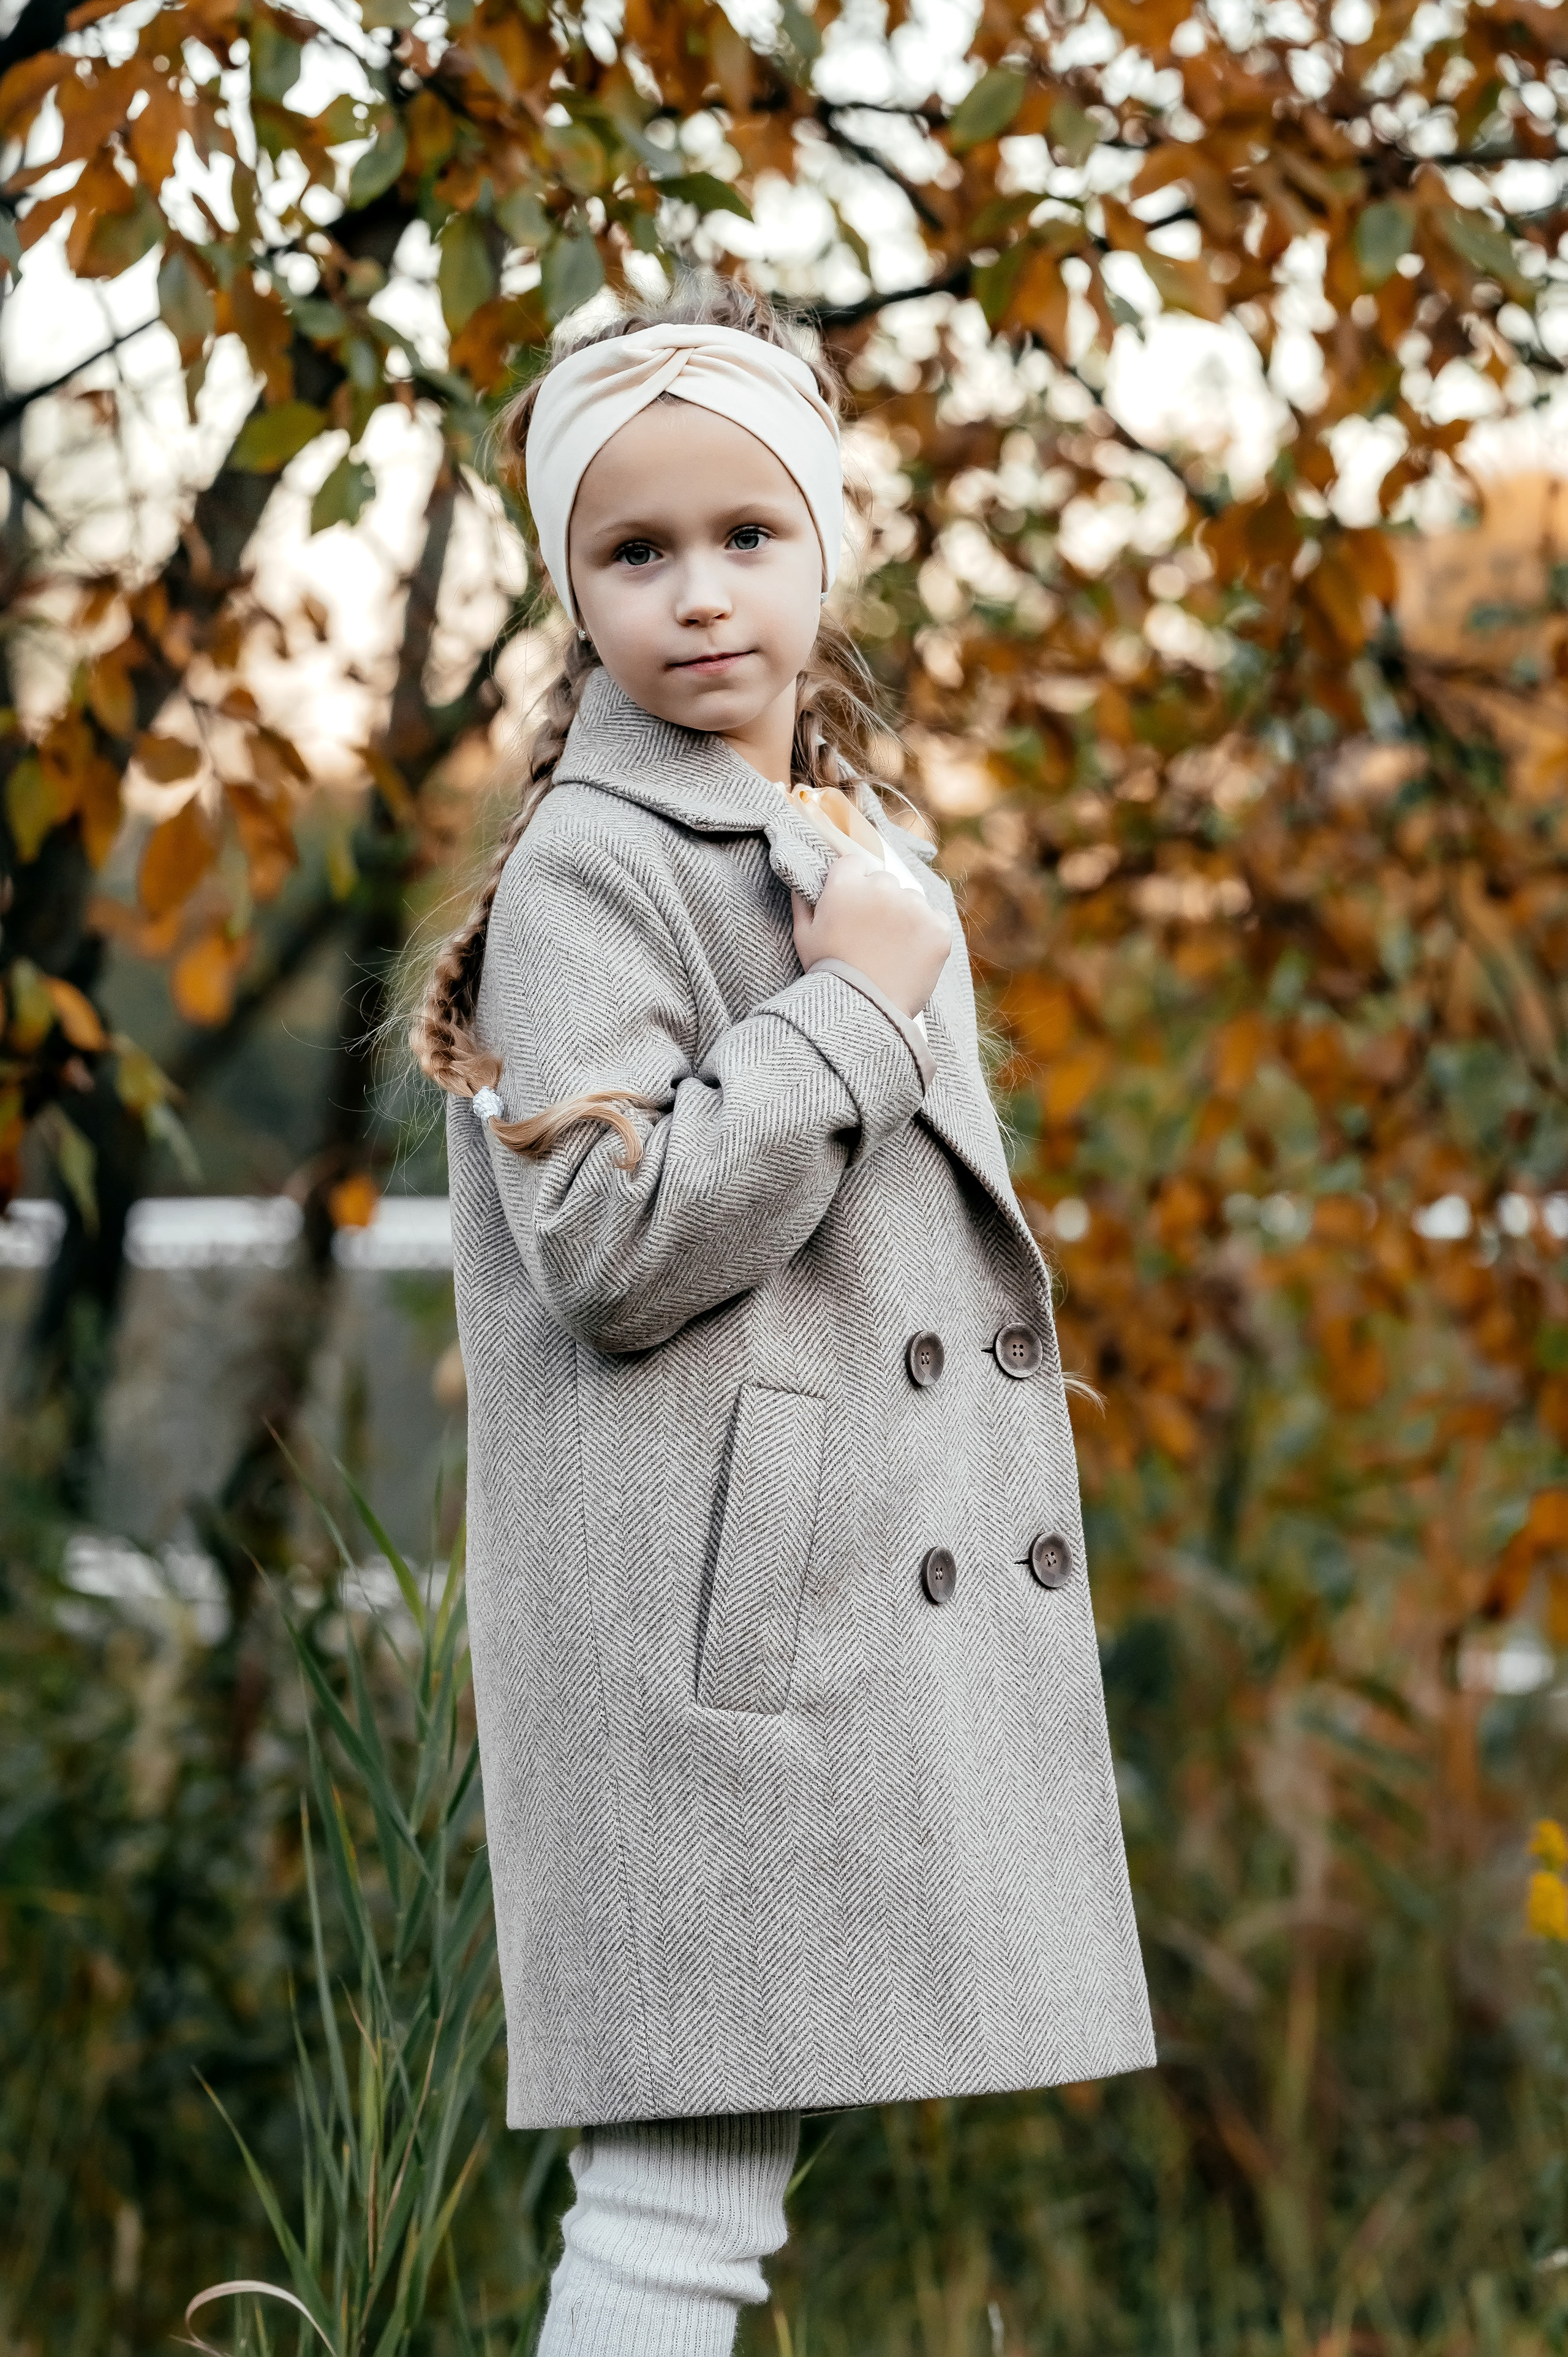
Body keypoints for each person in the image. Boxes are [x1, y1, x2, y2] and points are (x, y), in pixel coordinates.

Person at [410, 278, 1154, 2356]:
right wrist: (852, 1007)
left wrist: (866, 959)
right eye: (633, 552)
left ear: (832, 548)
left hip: (801, 1611)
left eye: (746, 537)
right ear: (572, 590)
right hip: (706, 1636)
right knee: (676, 2205)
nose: (699, 595)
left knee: (711, 2204)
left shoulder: (840, 848)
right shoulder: (591, 869)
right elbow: (613, 1246)